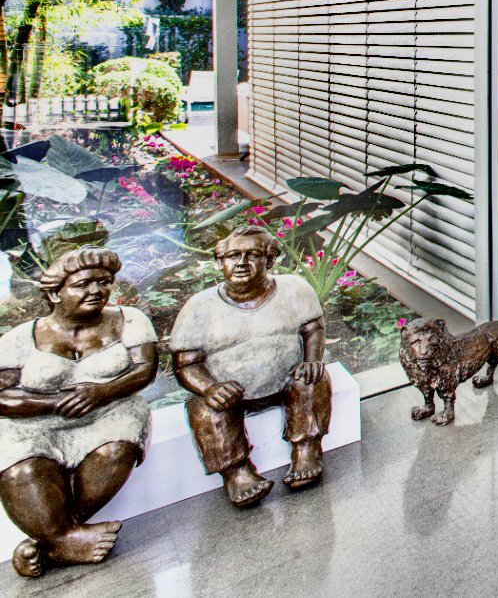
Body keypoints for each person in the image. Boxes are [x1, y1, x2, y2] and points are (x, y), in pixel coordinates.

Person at [0, 247, 157, 577]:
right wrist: (56, 402)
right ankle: (63, 539)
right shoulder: (19, 338)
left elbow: (145, 371)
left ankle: (49, 542)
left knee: (116, 450)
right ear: (55, 293)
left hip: (109, 413)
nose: (96, 291)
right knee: (21, 472)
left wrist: (101, 392)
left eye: (104, 282)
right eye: (84, 284)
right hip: (35, 425)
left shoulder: (129, 320)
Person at [169, 225, 329, 508]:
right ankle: (237, 473)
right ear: (220, 262)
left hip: (287, 378)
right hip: (230, 392)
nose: (241, 263)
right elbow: (185, 364)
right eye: (233, 256)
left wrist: (312, 359)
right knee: (205, 408)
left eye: (252, 255)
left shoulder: (294, 290)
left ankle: (307, 449)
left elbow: (313, 328)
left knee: (314, 378)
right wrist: (210, 387)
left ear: (268, 260)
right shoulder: (199, 308)